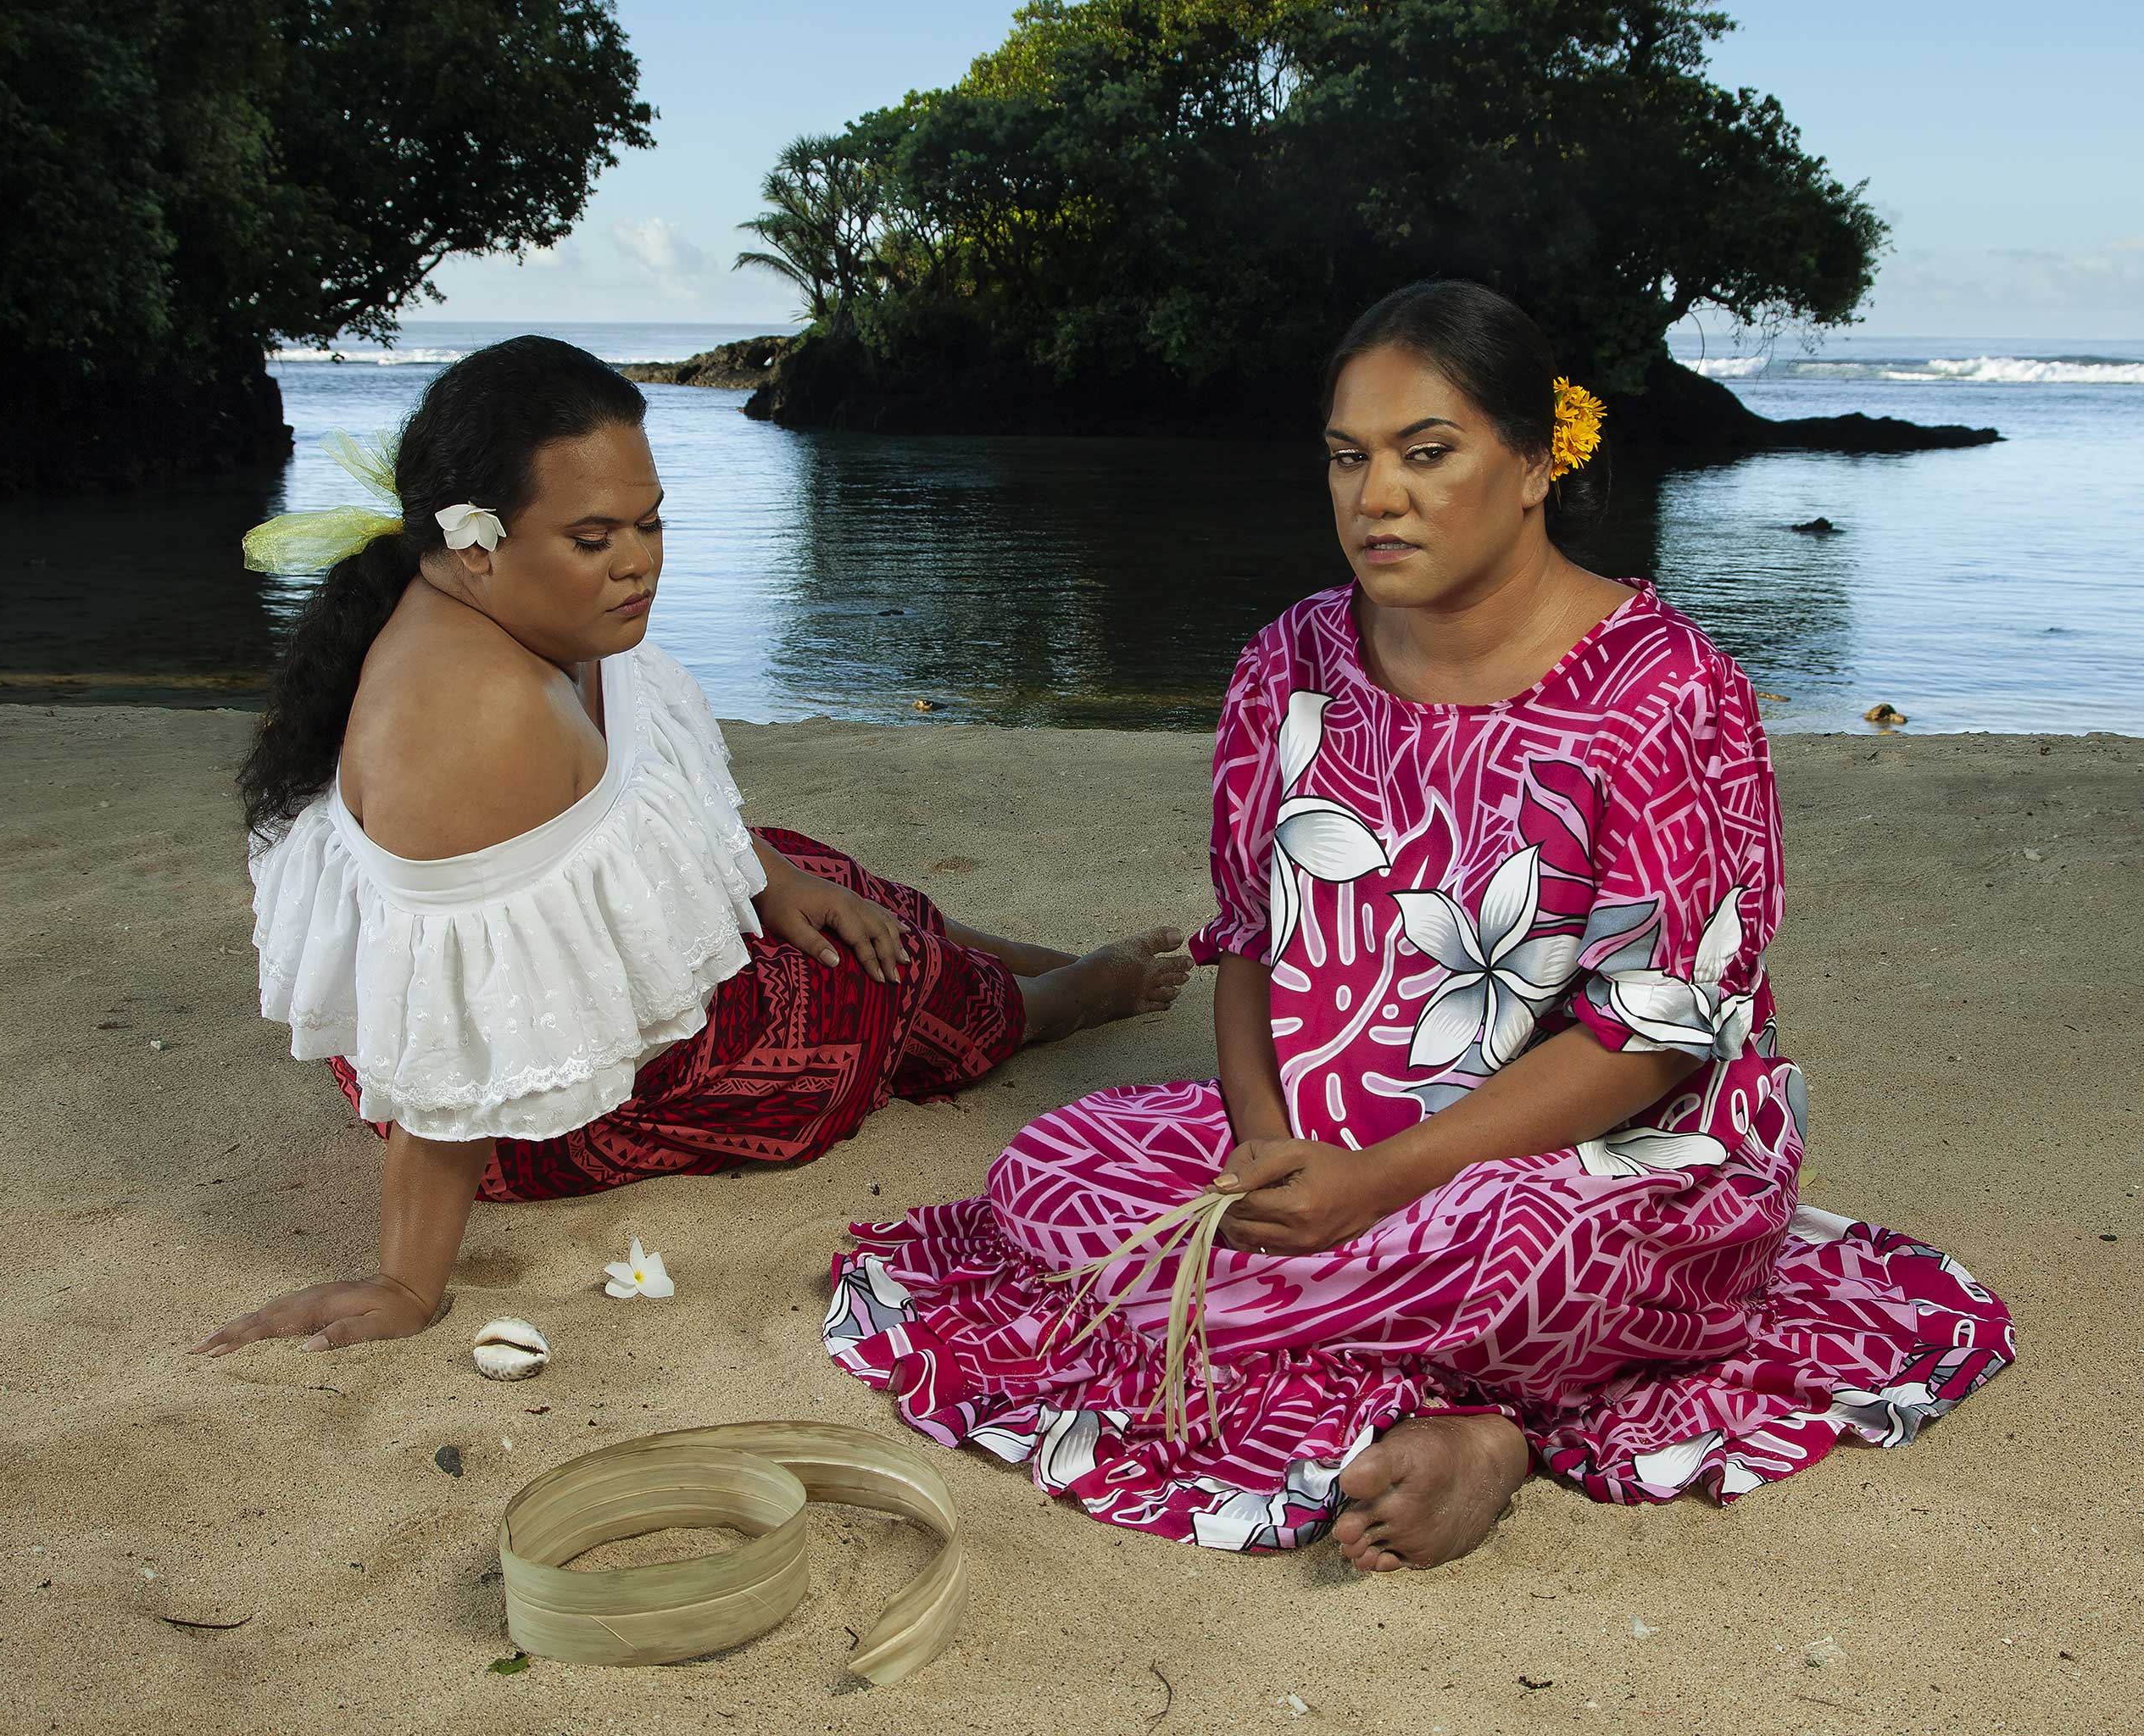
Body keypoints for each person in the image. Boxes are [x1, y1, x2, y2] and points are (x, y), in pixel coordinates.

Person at [824, 281, 2013, 1567]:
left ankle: (1486, 1435)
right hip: (1333, 1143)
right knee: (1046, 1176)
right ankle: (1453, 1391)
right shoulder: (1289, 663)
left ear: (1532, 463)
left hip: (1604, 1165)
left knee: (1522, 1253)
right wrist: (1266, 1149)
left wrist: (1381, 1188)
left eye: (1424, 453)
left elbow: (1658, 1039)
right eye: (1348, 457)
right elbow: (1249, 941)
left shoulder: (1666, 693)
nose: (1373, 496)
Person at [196, 337, 1190, 1358]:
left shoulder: (503, 600)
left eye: (650, 519)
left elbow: (639, 806)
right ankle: (1040, 1004)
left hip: (522, 1021)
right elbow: (460, 1039)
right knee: (853, 982)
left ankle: (1003, 961)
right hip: (526, 1105)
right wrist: (407, 1279)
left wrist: (763, 869)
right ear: (478, 542)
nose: (639, 561)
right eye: (594, 537)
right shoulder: (475, 718)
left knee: (816, 872)